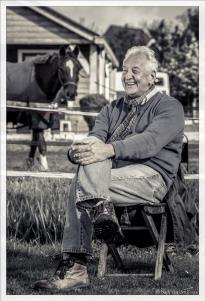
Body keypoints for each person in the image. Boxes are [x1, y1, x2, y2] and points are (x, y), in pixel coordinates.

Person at [34, 46, 184, 291]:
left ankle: (75, 268)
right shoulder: (110, 108)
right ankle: (101, 208)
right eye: (124, 71)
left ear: (152, 77)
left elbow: (149, 142)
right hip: (109, 176)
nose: (127, 76)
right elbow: (96, 140)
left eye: (135, 71)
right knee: (89, 163)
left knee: (82, 183)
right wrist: (77, 151)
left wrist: (107, 149)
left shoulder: (170, 106)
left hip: (151, 177)